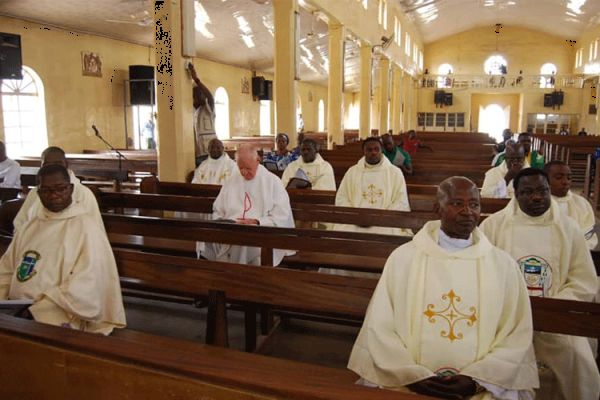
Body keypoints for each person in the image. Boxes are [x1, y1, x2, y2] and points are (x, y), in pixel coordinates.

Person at [348, 177, 538, 399]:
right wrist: (412, 376)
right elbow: (380, 325)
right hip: (406, 380)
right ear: (437, 209)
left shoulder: (503, 265)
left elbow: (516, 334)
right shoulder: (403, 258)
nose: (467, 211)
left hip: (483, 385)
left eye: (474, 204)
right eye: (457, 203)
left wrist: (477, 380)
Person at [480, 168, 599, 400]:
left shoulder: (569, 228)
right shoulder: (493, 227)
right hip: (507, 318)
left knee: (579, 359)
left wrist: (552, 307)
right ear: (515, 194)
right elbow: (481, 273)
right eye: (527, 192)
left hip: (556, 315)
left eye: (542, 191)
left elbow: (583, 280)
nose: (536, 197)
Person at [0, 164, 126, 335]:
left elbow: (88, 281)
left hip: (58, 312)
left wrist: (39, 310)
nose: (54, 195)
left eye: (60, 188)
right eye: (46, 190)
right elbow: (6, 269)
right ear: (38, 193)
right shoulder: (30, 226)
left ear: (71, 188)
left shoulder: (86, 227)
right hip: (16, 311)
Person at [202, 145, 294, 266]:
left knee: (244, 241)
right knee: (205, 237)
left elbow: (282, 215)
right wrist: (221, 220)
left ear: (257, 161)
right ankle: (220, 274)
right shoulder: (232, 180)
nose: (244, 172)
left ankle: (243, 278)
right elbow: (218, 208)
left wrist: (257, 221)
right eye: (240, 168)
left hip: (262, 232)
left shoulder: (273, 182)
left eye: (248, 168)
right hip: (232, 228)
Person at [13, 146, 103, 233]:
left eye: (58, 164)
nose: (53, 168)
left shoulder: (83, 193)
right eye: (47, 164)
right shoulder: (34, 193)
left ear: (66, 164)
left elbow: (93, 230)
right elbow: (20, 224)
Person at [335, 137, 410, 235]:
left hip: (385, 220)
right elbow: (342, 197)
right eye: (369, 150)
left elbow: (401, 200)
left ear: (381, 150)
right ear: (364, 152)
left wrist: (380, 217)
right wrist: (355, 216)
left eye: (376, 149)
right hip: (356, 220)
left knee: (390, 233)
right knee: (342, 233)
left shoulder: (394, 172)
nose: (373, 152)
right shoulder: (352, 172)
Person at [544, 160, 597, 249]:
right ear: (545, 180)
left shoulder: (581, 203)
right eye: (558, 177)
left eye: (569, 178)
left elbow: (589, 233)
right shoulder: (538, 203)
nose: (565, 182)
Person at [188, 63, 217, 165]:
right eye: (195, 94)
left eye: (200, 93)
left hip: (211, 152)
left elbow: (210, 98)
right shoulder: (192, 111)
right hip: (199, 152)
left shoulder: (208, 109)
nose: (198, 96)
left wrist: (196, 80)